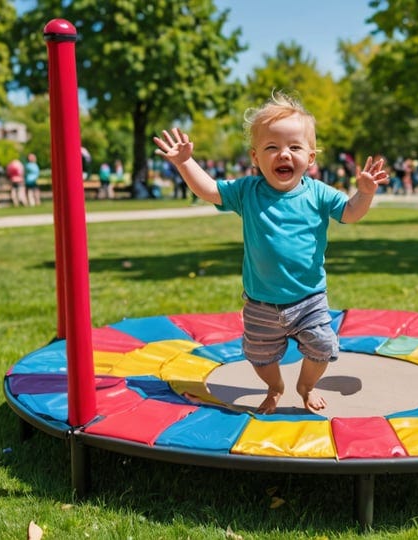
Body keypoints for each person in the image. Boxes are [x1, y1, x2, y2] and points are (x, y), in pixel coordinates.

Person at [153, 92, 388, 414]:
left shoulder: (318, 193)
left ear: (311, 157)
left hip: (309, 298)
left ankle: (306, 386)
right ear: (255, 157)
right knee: (260, 356)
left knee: (321, 347)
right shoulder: (247, 191)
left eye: (294, 147)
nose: (283, 155)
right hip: (261, 302)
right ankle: (275, 386)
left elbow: (350, 214)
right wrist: (185, 162)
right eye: (272, 147)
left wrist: (364, 194)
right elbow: (208, 189)